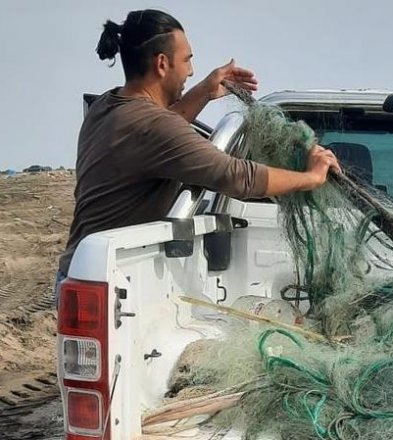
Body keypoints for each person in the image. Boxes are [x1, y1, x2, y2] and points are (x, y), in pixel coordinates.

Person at [56, 9, 341, 283]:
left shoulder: (108, 104)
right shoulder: (151, 126)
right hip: (109, 277)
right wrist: (310, 178)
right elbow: (237, 177)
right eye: (187, 60)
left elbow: (162, 131)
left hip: (82, 270)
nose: (191, 71)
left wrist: (205, 90)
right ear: (162, 64)